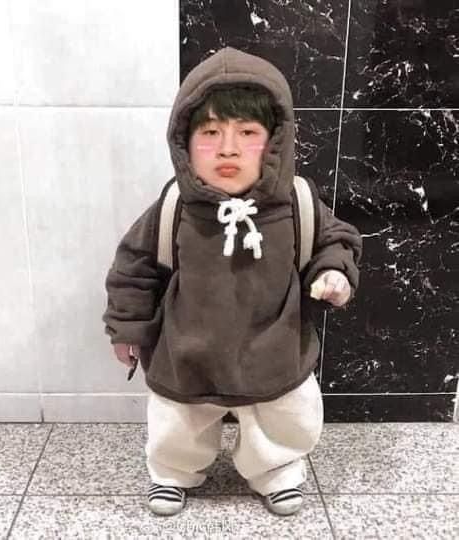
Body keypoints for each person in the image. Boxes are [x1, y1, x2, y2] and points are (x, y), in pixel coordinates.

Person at [103, 46, 362, 517]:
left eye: (247, 132)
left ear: (276, 141)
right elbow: (133, 268)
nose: (227, 148)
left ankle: (277, 470)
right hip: (186, 351)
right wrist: (127, 328)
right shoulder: (174, 207)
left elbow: (336, 240)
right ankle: (173, 472)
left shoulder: (298, 202)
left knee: (285, 417)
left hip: (274, 347)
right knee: (177, 421)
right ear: (183, 143)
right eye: (209, 133)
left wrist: (333, 272)